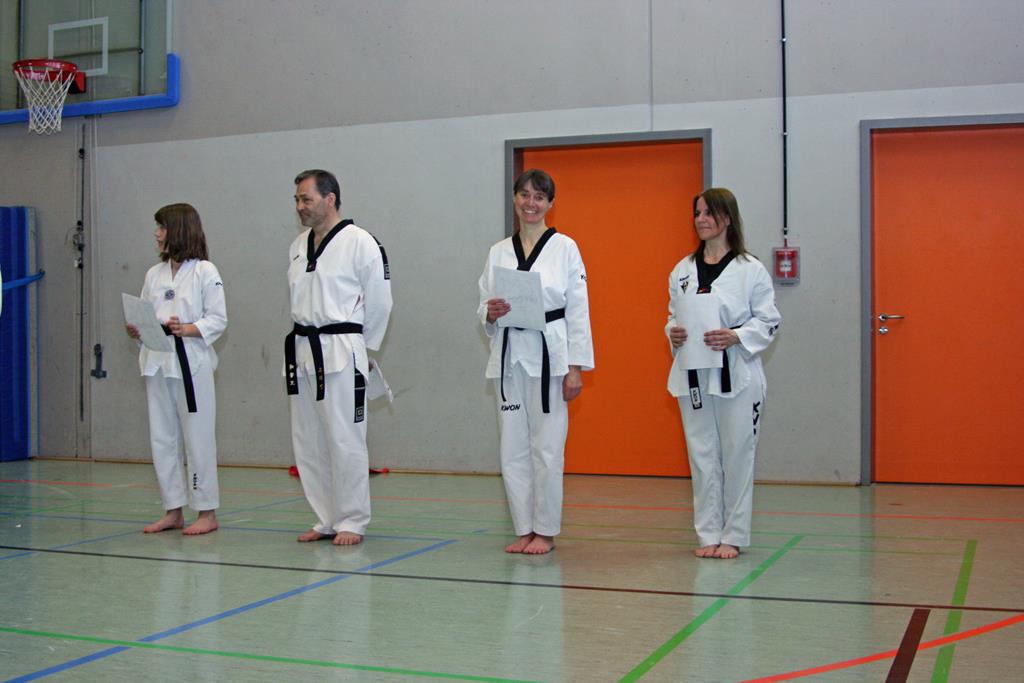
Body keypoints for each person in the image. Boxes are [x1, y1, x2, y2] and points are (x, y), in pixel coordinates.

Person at [478, 169, 594, 555]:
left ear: (550, 204)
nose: (531, 203)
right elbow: (483, 302)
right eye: (524, 195)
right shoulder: (498, 251)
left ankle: (545, 530)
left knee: (547, 448)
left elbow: (578, 310)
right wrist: (489, 313)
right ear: (514, 199)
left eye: (539, 197)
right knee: (512, 449)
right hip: (510, 355)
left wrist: (575, 367)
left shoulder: (565, 248)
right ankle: (523, 528)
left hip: (551, 357)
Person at [665, 188, 780, 559]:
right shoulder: (682, 270)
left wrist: (737, 336)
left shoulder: (750, 269)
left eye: (709, 213)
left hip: (737, 374)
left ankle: (733, 535)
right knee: (702, 457)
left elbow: (769, 320)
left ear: (727, 218)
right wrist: (672, 333)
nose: (701, 219)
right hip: (694, 374)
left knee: (737, 455)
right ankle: (708, 534)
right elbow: (673, 316)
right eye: (697, 213)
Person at [286, 169, 392, 546]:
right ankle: (326, 517)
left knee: (345, 438)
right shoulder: (298, 245)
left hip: (342, 349)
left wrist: (359, 346)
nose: (300, 206)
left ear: (330, 199)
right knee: (309, 440)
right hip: (303, 349)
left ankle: (352, 519)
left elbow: (380, 302)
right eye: (297, 200)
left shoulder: (361, 242)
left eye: (307, 199)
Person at [125, 203, 227, 535]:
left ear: (179, 230)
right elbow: (145, 312)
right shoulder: (153, 275)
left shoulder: (205, 272)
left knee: (198, 437)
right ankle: (173, 509)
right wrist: (138, 329)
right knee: (162, 438)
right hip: (157, 361)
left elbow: (218, 319)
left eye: (162, 227)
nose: (157, 234)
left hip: (191, 363)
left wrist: (188, 328)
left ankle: (207, 512)